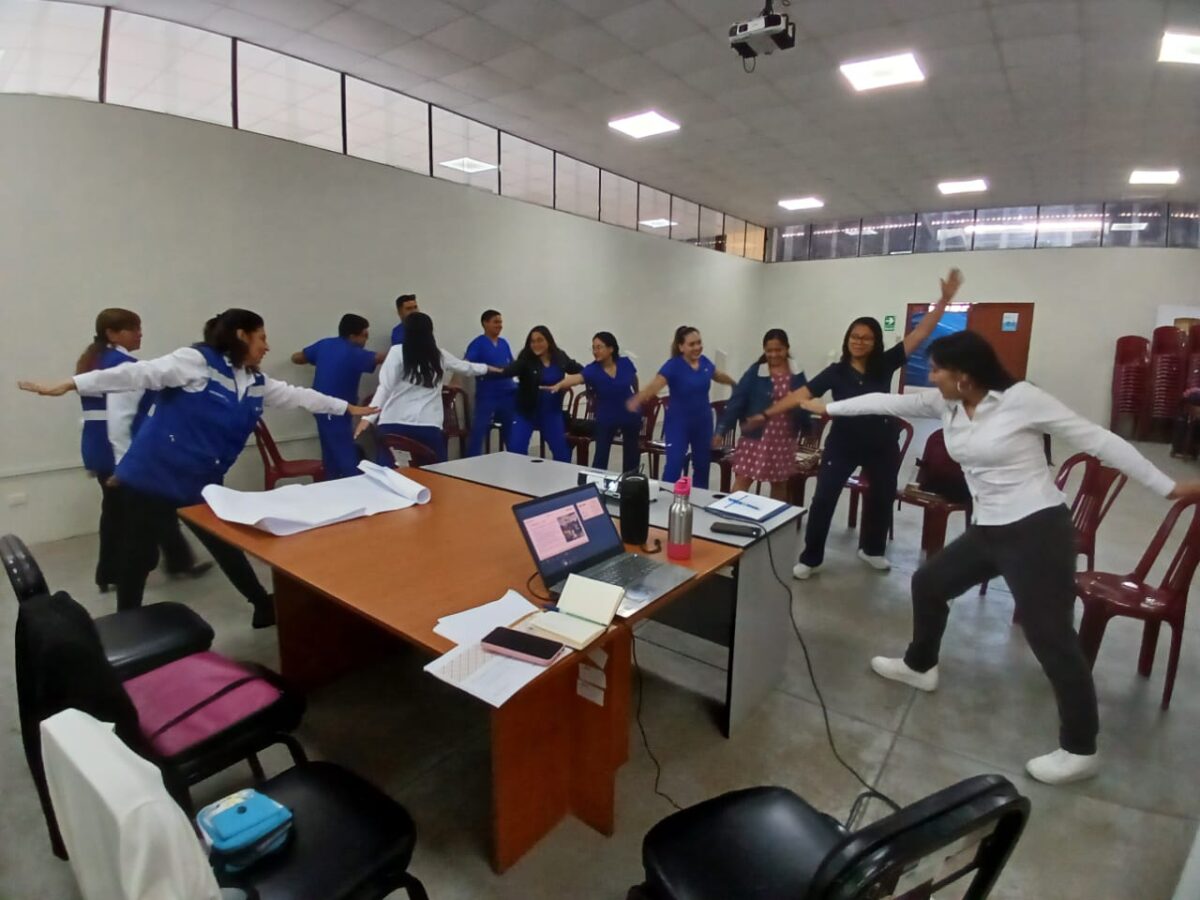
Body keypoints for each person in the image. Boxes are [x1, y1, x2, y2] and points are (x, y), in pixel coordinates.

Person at [799, 329, 1200, 785]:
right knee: (928, 583)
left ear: (965, 376)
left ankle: (1081, 747)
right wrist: (827, 408)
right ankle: (920, 665)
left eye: (936, 370)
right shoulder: (946, 403)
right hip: (988, 528)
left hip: (1038, 529)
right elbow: (886, 402)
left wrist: (1166, 486)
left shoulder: (1021, 400)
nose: (929, 378)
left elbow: (1097, 440)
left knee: (1049, 635)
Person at [20, 308, 377, 626]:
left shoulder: (254, 382)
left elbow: (299, 396)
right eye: (262, 337)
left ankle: (261, 604)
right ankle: (125, 625)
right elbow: (139, 374)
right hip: (153, 474)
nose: (267, 346)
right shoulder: (196, 362)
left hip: (200, 480)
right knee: (138, 555)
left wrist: (347, 408)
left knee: (224, 542)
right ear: (241, 335)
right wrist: (71, 384)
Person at [750, 268, 963, 579]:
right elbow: (802, 394)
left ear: (875, 342)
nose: (859, 342)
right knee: (824, 497)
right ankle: (811, 557)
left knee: (881, 496)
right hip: (844, 443)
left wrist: (943, 301)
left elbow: (918, 335)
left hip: (881, 443)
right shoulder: (835, 372)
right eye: (854, 336)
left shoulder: (885, 363)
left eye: (866, 338)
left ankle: (872, 549)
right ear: (847, 339)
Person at [76, 309, 211, 592]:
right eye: (133, 328)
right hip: (120, 450)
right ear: (113, 333)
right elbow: (120, 419)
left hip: (97, 446)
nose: (140, 333)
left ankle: (113, 572)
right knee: (154, 507)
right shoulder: (123, 365)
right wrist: (127, 464)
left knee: (118, 512)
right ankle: (172, 562)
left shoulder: (92, 361)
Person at [360, 312, 495, 462]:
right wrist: (493, 369)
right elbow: (468, 368)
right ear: (430, 332)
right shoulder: (439, 355)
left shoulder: (397, 352)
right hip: (427, 427)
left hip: (392, 425)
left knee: (391, 474)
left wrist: (368, 418)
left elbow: (384, 388)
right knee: (436, 474)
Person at [627, 326, 736, 490]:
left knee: (702, 464)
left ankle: (699, 498)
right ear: (681, 347)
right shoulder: (673, 366)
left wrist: (734, 383)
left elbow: (717, 374)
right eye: (692, 344)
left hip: (703, 423)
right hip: (679, 423)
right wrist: (638, 399)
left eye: (699, 343)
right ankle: (666, 496)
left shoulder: (704, 362)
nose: (697, 347)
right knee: (675, 463)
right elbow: (655, 385)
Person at [714, 329, 809, 501]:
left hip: (784, 439)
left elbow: (805, 401)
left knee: (779, 483)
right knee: (743, 477)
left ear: (787, 348)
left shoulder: (797, 372)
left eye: (778, 350)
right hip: (755, 437)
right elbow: (737, 400)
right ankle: (732, 514)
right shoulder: (756, 372)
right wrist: (721, 430)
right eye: (769, 350)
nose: (774, 354)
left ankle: (774, 521)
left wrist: (808, 426)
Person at [291, 313, 385, 479]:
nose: (366, 341)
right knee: (346, 458)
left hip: (320, 408)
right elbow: (380, 357)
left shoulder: (325, 345)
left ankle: (332, 488)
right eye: (364, 336)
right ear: (352, 336)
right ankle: (358, 492)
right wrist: (405, 351)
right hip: (335, 411)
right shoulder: (355, 353)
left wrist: (318, 360)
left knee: (331, 455)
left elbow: (297, 357)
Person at [549, 331, 643, 473]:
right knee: (601, 454)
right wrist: (559, 385)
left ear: (611, 348)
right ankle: (597, 483)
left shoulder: (625, 363)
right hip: (606, 417)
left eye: (599, 347)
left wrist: (637, 395)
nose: (595, 351)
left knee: (632, 454)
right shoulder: (593, 370)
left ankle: (630, 482)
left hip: (629, 414)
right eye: (593, 348)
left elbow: (634, 379)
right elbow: (576, 378)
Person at [501, 326, 584, 463]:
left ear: (548, 341)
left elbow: (581, 371)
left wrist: (569, 382)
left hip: (551, 412)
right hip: (526, 412)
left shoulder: (560, 357)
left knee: (561, 454)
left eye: (540, 340)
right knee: (516, 450)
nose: (536, 344)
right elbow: (510, 370)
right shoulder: (525, 359)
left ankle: (561, 481)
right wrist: (491, 369)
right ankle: (518, 480)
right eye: (532, 341)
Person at [464, 309, 517, 457]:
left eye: (500, 322)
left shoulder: (504, 343)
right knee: (478, 431)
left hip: (508, 394)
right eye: (495, 322)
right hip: (487, 395)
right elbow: (466, 364)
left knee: (511, 433)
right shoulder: (478, 343)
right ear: (485, 323)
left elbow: (513, 364)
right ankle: (470, 462)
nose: (499, 325)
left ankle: (516, 460)